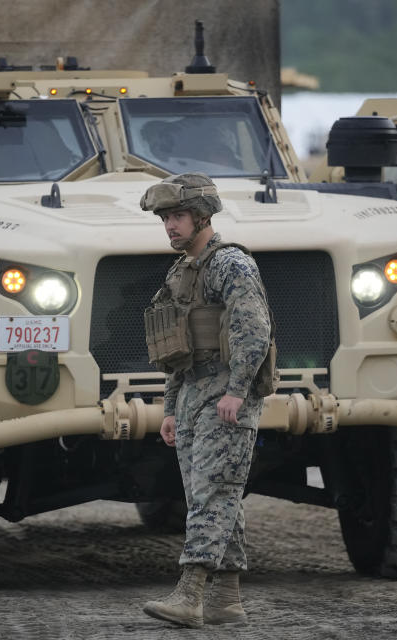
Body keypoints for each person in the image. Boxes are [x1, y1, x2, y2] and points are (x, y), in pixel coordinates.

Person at [139, 173, 273, 628]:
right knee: (215, 496)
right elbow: (175, 349)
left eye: (176, 216)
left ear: (202, 217)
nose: (170, 226)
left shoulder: (230, 264)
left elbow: (254, 329)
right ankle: (227, 599)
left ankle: (191, 594)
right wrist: (171, 408)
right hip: (194, 392)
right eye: (165, 219)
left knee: (213, 493)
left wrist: (237, 390)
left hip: (225, 392)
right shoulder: (181, 272)